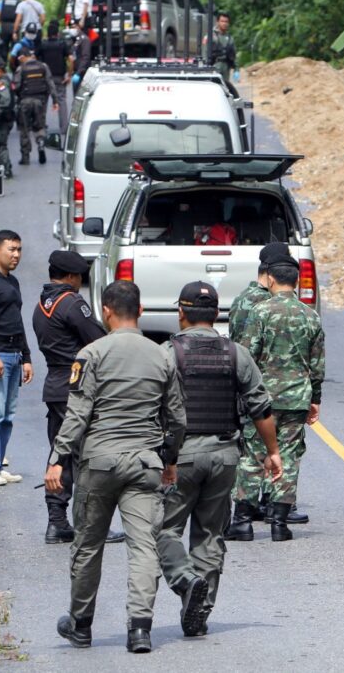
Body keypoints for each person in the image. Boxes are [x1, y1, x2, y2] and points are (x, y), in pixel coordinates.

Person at [47, 281, 186, 654]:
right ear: (139, 311)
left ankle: (80, 624)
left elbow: (77, 414)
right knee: (144, 548)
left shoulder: (91, 354)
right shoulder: (163, 357)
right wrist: (169, 461)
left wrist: (58, 459)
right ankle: (140, 628)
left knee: (88, 545)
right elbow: (176, 419)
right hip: (144, 464)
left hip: (99, 463)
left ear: (106, 310)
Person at [157, 281, 284, 638]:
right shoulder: (236, 353)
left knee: (162, 529)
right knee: (210, 535)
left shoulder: (168, 353)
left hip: (180, 457)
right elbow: (261, 407)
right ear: (216, 315)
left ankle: (185, 582)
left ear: (180, 313)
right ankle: (201, 607)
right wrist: (273, 452)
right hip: (225, 456)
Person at [227, 253, 324, 542]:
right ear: (295, 282)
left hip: (262, 399)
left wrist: (240, 393)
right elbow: (317, 364)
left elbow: (246, 356)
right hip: (296, 398)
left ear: (270, 279)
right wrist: (314, 397)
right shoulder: (310, 315)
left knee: (253, 455)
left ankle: (243, 521)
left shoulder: (260, 311)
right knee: (290, 456)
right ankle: (279, 523)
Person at [32, 250, 124, 545]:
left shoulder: (41, 305)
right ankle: (90, 524)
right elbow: (97, 340)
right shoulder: (71, 303)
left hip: (55, 387)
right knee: (87, 457)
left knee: (59, 454)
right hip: (78, 388)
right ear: (72, 277)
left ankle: (56, 522)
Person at [0, 230, 32, 487]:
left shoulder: (13, 282)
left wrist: (27, 356)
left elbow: (17, 320)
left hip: (14, 353)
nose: (16, 255)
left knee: (8, 414)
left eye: (19, 250)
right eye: (11, 249)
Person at [13, 47, 60, 166]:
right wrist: (55, 100)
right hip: (40, 102)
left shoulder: (21, 68)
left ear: (23, 57)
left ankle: (25, 157)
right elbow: (50, 83)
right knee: (40, 126)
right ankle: (40, 143)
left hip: (25, 101)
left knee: (24, 129)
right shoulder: (43, 66)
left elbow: (16, 86)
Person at [39, 23, 72, 138]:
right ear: (57, 33)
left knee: (43, 101)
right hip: (59, 77)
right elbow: (70, 59)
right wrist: (69, 74)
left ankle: (41, 126)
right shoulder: (62, 44)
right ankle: (63, 128)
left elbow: (37, 60)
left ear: (47, 34)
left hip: (44, 78)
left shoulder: (43, 45)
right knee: (61, 100)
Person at [204, 12, 236, 81]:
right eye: (222, 21)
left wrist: (236, 69)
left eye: (226, 21)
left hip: (226, 66)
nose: (224, 23)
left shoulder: (230, 38)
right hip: (214, 65)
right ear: (218, 22)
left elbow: (233, 53)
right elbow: (205, 51)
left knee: (226, 86)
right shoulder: (211, 36)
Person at [70, 21, 92, 93]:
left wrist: (78, 73)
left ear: (78, 27)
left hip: (82, 73)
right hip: (76, 71)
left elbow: (85, 57)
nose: (72, 29)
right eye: (71, 27)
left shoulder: (84, 39)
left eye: (74, 27)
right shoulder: (75, 39)